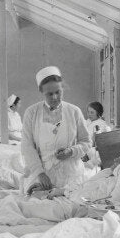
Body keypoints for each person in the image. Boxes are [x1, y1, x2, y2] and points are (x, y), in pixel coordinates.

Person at [21, 66, 91, 195]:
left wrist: (71, 151)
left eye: (58, 92)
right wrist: (40, 173)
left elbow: (86, 142)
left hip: (71, 173)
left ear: (62, 88)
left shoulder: (74, 111)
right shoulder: (31, 113)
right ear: (41, 92)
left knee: (71, 200)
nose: (54, 97)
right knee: (37, 202)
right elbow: (27, 146)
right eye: (49, 94)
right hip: (43, 173)